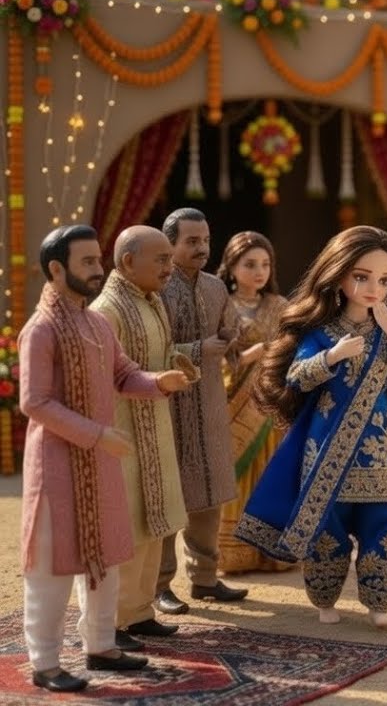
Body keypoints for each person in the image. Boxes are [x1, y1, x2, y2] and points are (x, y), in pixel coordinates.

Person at [20, 225, 191, 692]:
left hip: (100, 461)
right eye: (88, 262)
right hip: (57, 465)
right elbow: (34, 403)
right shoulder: (40, 330)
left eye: (99, 261)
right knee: (53, 568)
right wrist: (96, 435)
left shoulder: (95, 325)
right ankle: (46, 662)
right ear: (56, 269)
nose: (99, 270)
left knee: (107, 558)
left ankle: (100, 645)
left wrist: (159, 382)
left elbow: (123, 374)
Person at [236, 225, 387, 628]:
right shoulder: (322, 334)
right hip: (326, 451)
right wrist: (332, 357)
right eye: (362, 276)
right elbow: (297, 377)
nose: (373, 287)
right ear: (339, 277)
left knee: (385, 525)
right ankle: (325, 600)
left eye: (384, 280)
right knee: (327, 528)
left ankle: (378, 603)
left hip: (379, 451)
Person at [90, 226, 196, 650]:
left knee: (153, 526)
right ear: (128, 262)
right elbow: (103, 379)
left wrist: (176, 362)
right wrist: (155, 378)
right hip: (124, 432)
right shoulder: (106, 310)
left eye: (170, 258)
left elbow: (156, 353)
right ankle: (111, 621)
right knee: (127, 529)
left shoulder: (150, 300)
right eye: (162, 260)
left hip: (155, 425)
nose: (170, 267)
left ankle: (138, 613)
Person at [156, 208, 247, 615]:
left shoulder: (215, 287)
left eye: (205, 240)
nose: (201, 248)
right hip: (168, 409)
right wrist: (196, 350)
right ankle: (160, 586)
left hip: (209, 406)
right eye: (191, 241)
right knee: (170, 498)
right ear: (170, 244)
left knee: (209, 498)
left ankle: (205, 580)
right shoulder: (155, 289)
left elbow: (229, 332)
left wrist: (231, 340)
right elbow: (145, 352)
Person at [214, 231, 292, 575]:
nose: (259, 271)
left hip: (271, 406)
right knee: (237, 476)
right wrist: (249, 356)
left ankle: (270, 552)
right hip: (232, 408)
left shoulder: (280, 306)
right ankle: (234, 554)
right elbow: (212, 358)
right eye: (249, 264)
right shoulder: (219, 306)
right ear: (231, 267)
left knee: (270, 475)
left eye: (265, 264)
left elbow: (295, 350)